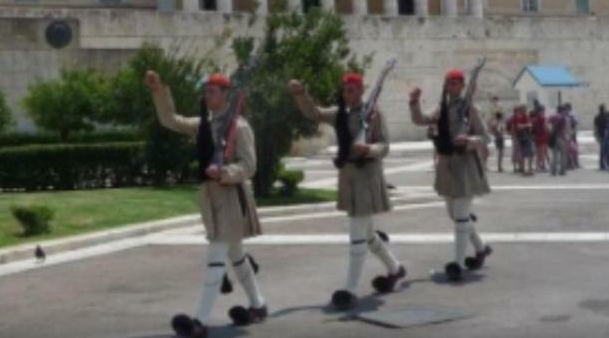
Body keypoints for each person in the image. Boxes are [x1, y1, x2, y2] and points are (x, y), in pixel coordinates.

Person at [146, 70, 267, 338]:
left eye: (213, 90)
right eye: (207, 90)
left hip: (230, 197)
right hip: (210, 197)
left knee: (217, 257)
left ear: (225, 95)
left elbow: (249, 165)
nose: (207, 94)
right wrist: (158, 91)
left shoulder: (241, 127)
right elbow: (169, 119)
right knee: (236, 255)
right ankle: (258, 305)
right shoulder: (202, 124)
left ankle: (199, 322)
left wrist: (224, 173)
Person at [288, 72, 405, 310]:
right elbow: (314, 114)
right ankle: (395, 268)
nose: (347, 94)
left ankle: (350, 290)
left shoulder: (374, 114)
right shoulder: (340, 113)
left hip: (367, 175)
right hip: (349, 176)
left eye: (352, 90)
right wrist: (301, 95)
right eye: (345, 90)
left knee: (357, 234)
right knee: (368, 234)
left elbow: (384, 146)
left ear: (361, 90)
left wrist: (369, 149)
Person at [409, 69, 492, 282]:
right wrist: (414, 102)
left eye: (455, 83)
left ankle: (457, 262)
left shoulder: (470, 108)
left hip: (465, 165)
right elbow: (421, 120)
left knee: (461, 216)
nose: (451, 86)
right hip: (446, 165)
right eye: (449, 83)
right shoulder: (441, 108)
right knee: (455, 215)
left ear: (462, 85)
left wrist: (469, 140)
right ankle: (481, 249)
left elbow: (485, 137)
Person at [511, 104, 535, 176]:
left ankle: (527, 169)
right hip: (524, 137)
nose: (525, 110)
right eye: (524, 109)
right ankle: (526, 170)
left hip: (525, 136)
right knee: (527, 154)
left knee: (528, 154)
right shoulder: (519, 117)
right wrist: (528, 125)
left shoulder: (524, 116)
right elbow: (518, 127)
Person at [548, 105, 569, 176]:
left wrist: (550, 132)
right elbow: (564, 129)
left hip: (553, 137)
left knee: (554, 155)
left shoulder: (552, 117)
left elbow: (547, 125)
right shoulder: (563, 118)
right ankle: (562, 170)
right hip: (561, 137)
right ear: (562, 110)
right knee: (563, 154)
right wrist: (566, 137)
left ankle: (553, 171)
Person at [531, 105, 549, 173]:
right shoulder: (543, 118)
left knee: (538, 153)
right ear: (541, 111)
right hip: (543, 136)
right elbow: (545, 127)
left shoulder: (535, 119)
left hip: (537, 136)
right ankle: (539, 167)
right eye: (543, 110)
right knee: (542, 153)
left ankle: (538, 166)